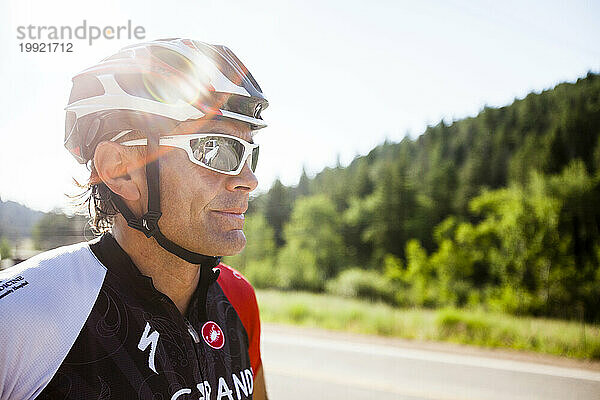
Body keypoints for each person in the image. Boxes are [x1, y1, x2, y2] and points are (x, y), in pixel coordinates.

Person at [0, 38, 269, 400]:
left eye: (251, 153)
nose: (248, 180)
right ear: (121, 170)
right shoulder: (18, 318)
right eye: (216, 149)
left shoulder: (239, 299)